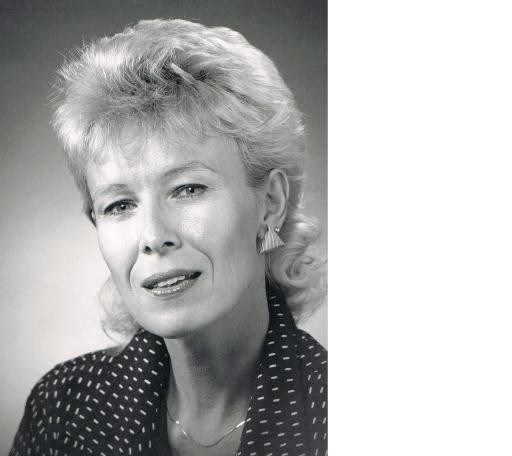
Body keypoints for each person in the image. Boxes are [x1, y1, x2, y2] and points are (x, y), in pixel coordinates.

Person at [9, 18, 327, 456]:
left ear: (270, 202)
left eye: (188, 189)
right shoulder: (61, 408)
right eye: (119, 205)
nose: (153, 236)